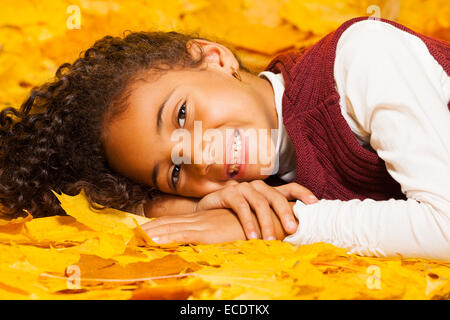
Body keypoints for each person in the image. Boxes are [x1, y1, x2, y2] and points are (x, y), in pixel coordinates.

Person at [1, 16, 448, 260]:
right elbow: (131, 208)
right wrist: (194, 207)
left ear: (213, 58)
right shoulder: (257, 181)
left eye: (180, 114)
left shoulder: (361, 59)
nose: (197, 154)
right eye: (174, 171)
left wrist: (276, 227)